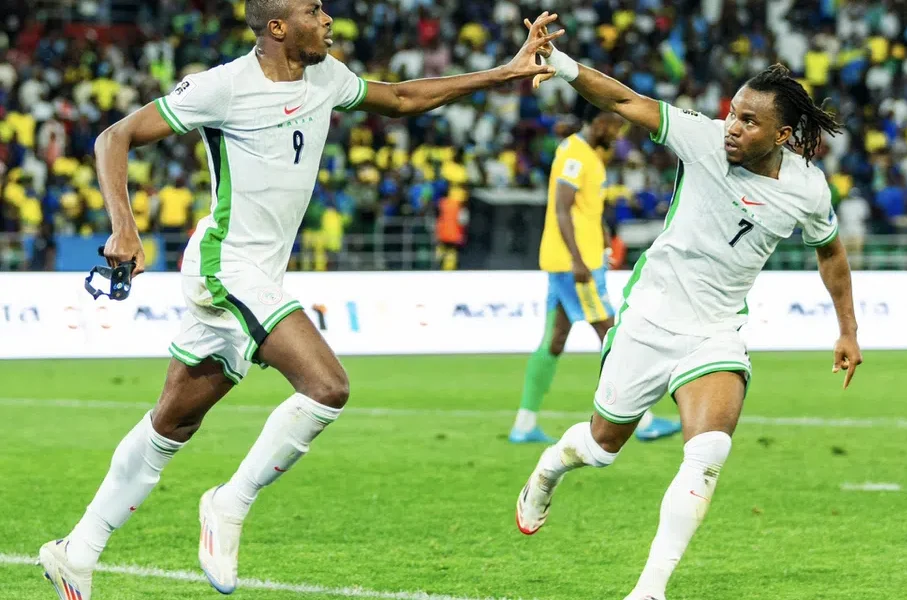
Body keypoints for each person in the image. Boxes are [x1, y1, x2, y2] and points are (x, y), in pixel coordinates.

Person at [37, 3, 563, 598]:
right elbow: (115, 136)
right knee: (327, 386)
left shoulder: (326, 77)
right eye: (313, 9)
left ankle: (76, 552)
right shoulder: (224, 86)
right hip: (226, 264)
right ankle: (228, 504)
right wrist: (123, 226)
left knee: (172, 423)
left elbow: (402, 98)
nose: (329, 16)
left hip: (261, 275)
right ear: (278, 27)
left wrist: (505, 73)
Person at [515, 19, 863, 600]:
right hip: (651, 314)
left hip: (716, 329)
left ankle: (649, 590)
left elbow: (831, 255)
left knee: (708, 452)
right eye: (733, 112)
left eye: (749, 121)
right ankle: (551, 466)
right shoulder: (701, 139)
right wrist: (564, 64)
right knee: (601, 447)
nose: (733, 125)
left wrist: (847, 329)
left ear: (781, 136)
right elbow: (624, 98)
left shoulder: (808, 188)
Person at [509, 98, 681, 444]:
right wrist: (577, 259)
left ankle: (524, 424)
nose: (617, 135)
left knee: (555, 340)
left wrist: (600, 230)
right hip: (577, 265)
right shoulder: (575, 154)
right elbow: (561, 209)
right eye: (615, 126)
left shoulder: (586, 154)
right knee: (614, 336)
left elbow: (583, 208)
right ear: (600, 122)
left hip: (570, 262)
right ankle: (642, 420)